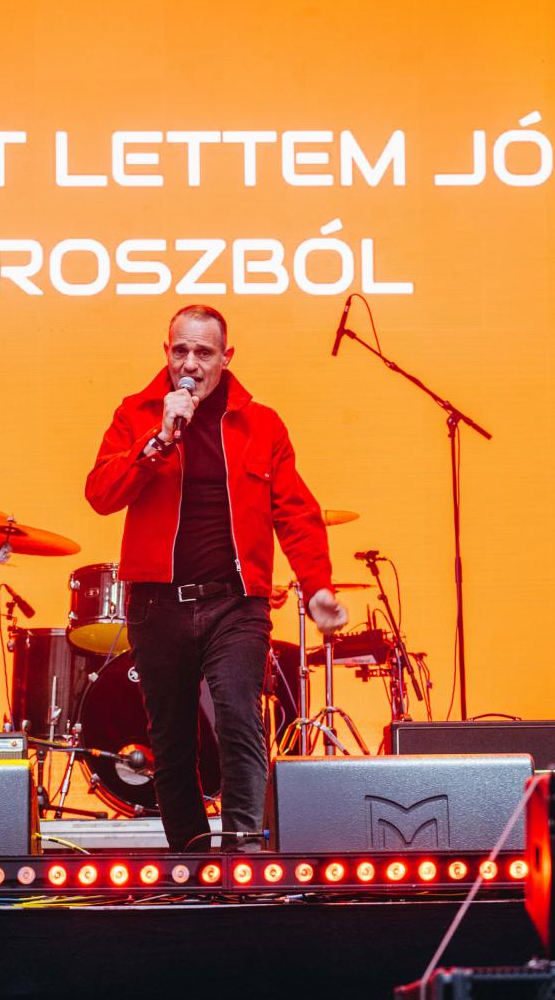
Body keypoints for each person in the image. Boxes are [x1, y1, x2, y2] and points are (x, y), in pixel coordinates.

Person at [85, 304, 347, 851]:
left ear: (226, 358)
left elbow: (296, 512)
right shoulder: (136, 414)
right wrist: (158, 440)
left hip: (235, 603)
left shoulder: (262, 424)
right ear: (166, 352)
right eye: (180, 350)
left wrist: (317, 585)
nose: (190, 363)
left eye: (203, 352)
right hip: (158, 604)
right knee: (171, 739)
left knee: (238, 719)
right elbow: (101, 494)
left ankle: (243, 853)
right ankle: (192, 860)